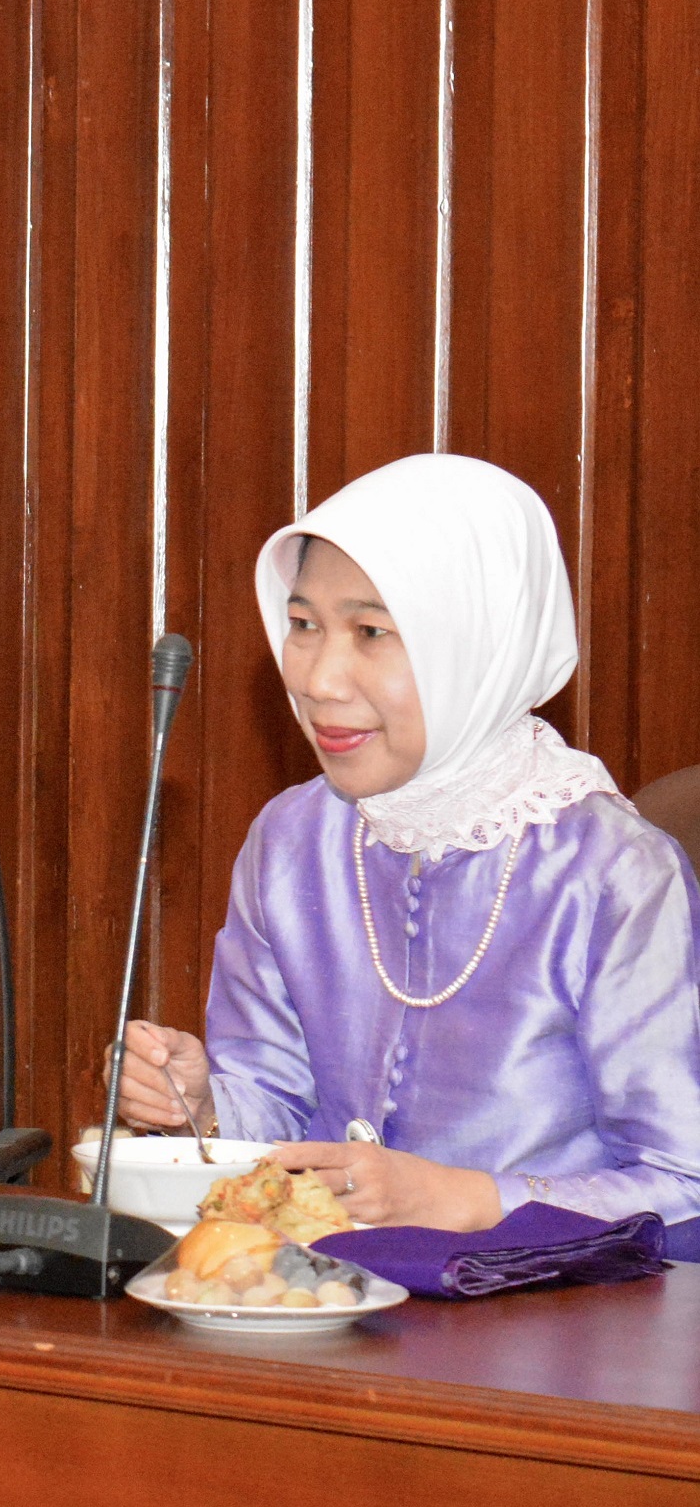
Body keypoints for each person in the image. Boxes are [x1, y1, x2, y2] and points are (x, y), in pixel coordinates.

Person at [119, 454, 700, 1230]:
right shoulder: (292, 840)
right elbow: (282, 1109)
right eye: (302, 625)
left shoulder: (611, 873)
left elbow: (684, 1185)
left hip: (552, 1326)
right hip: (315, 1308)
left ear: (477, 644)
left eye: (371, 632)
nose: (321, 677)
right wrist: (203, 1106)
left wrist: (464, 1199)